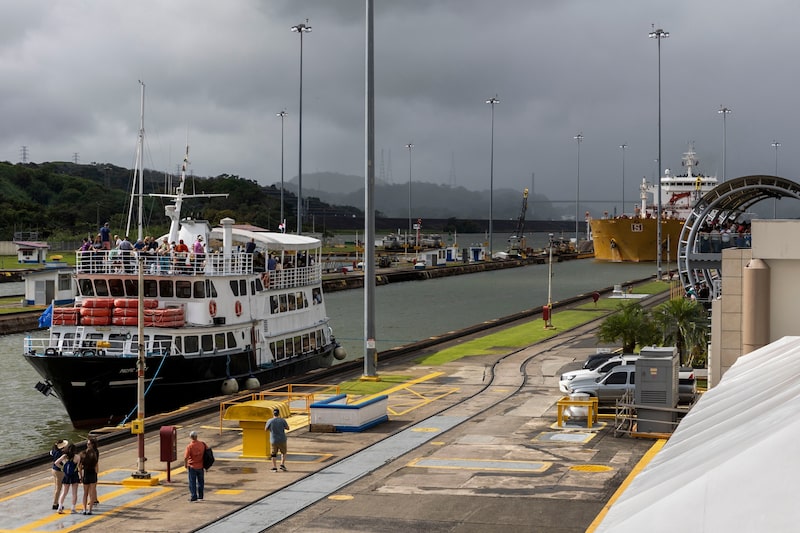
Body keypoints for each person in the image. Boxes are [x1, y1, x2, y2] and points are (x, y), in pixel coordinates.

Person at [54, 443, 80, 514]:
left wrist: (63, 468)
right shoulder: (77, 457)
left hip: (66, 476)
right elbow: (78, 467)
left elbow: (56, 463)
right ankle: (73, 508)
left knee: (64, 492)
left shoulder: (64, 456)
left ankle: (60, 508)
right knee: (74, 493)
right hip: (74, 475)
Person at [265, 407, 289, 472]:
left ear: (273, 413)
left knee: (273, 454)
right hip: (282, 439)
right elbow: (287, 428)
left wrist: (271, 429)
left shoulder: (270, 421)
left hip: (273, 440)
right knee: (284, 452)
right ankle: (282, 464)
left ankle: (274, 467)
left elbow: (266, 429)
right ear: (279, 414)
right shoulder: (282, 420)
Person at [184, 431, 206, 502]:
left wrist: (185, 464)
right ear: (197, 436)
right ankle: (201, 496)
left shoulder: (190, 446)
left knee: (192, 482)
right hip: (201, 465)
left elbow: (186, 457)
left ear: (191, 437)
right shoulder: (202, 444)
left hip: (192, 466)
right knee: (201, 482)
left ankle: (194, 496)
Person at [80, 438, 99, 515]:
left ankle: (84, 509)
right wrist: (96, 473)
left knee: (85, 493)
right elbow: (96, 467)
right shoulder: (95, 455)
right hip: (93, 474)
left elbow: (79, 467)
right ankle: (90, 510)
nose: (87, 445)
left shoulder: (83, 455)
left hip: (86, 475)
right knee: (92, 493)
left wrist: (81, 476)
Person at [49, 440, 69, 510]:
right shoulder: (61, 453)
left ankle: (56, 502)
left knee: (56, 487)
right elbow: (62, 462)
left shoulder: (54, 450)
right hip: (59, 471)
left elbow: (51, 453)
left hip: (53, 469)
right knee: (59, 488)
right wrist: (63, 468)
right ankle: (55, 504)